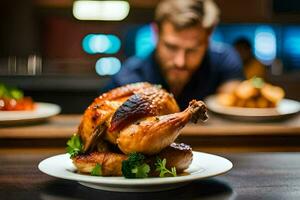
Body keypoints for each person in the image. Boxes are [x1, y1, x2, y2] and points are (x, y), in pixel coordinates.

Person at [105, 0, 243, 109]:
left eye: (192, 50)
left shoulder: (225, 61)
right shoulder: (128, 78)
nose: (180, 61)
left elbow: (235, 107)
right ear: (156, 33)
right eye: (171, 47)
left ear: (208, 40)